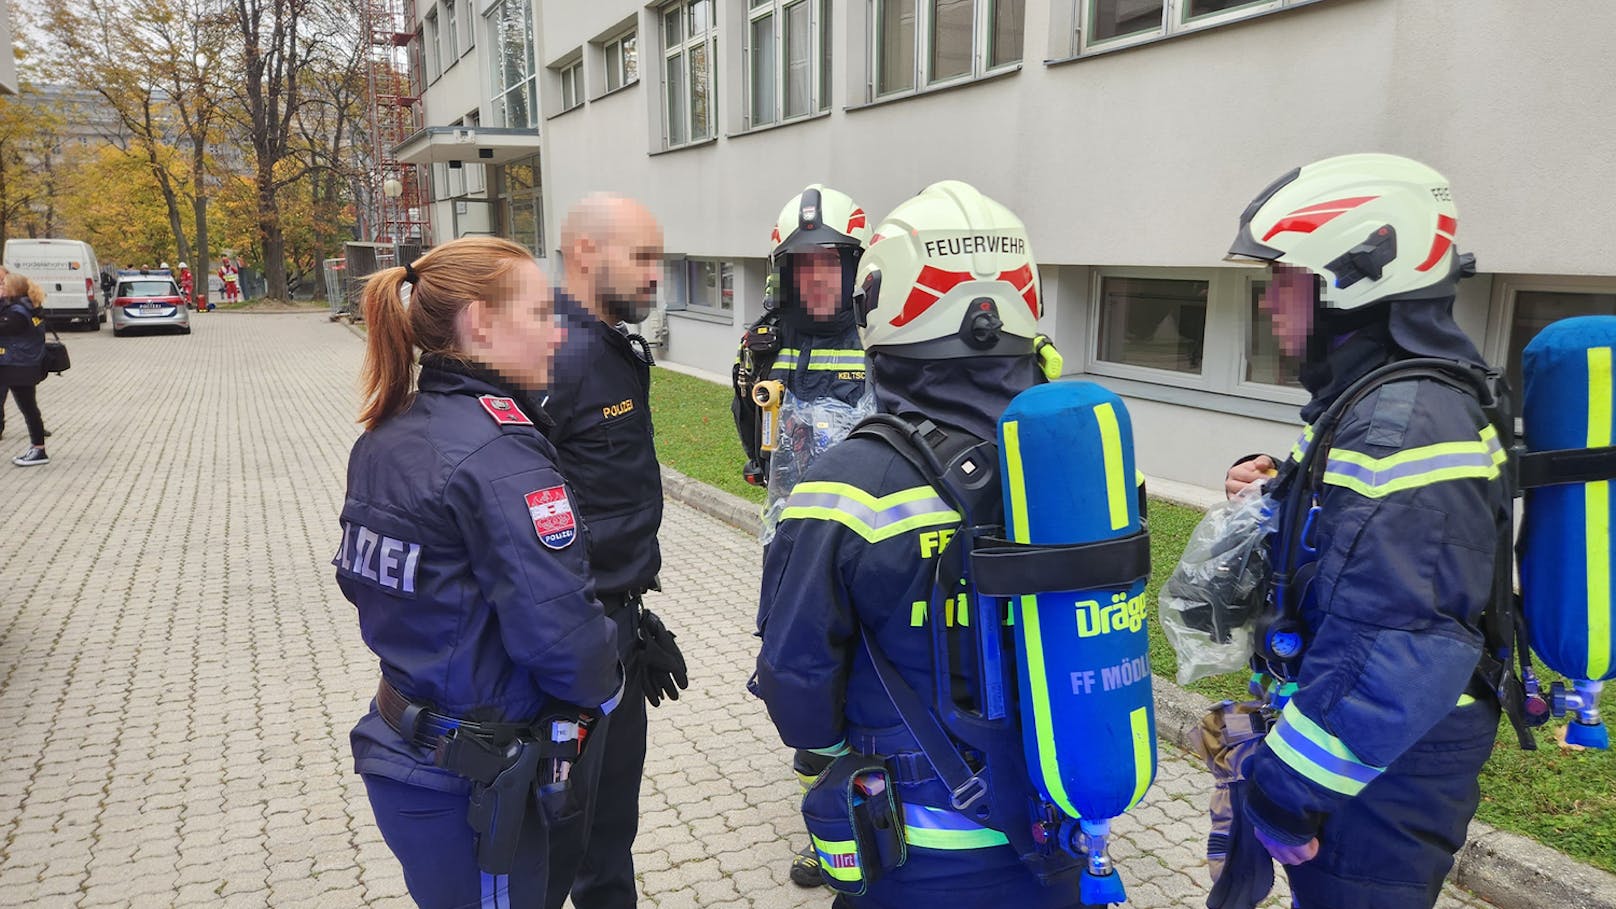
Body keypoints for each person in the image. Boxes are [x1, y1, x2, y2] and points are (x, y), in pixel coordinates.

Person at [753, 180, 1103, 909]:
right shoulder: (1079, 465)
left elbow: (799, 697)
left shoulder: (846, 484)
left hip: (917, 855)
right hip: (1059, 835)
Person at [1213, 153, 1510, 909]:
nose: (1269, 304)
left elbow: (1401, 636)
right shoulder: (1382, 400)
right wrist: (1278, 489)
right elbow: (1365, 546)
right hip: (1376, 753)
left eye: (1284, 282)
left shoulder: (1402, 423)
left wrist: (1287, 786)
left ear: (1354, 277)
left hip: (1380, 767)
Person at [337, 236, 626, 909]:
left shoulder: (387, 432)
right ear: (480, 323)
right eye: (538, 312)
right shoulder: (498, 454)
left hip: (405, 757)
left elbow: (366, 584)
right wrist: (607, 685)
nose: (558, 333)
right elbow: (563, 640)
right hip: (471, 784)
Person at [537, 193, 687, 909]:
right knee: (557, 842)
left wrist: (633, 613)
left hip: (617, 633)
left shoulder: (613, 349)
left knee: (608, 834)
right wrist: (591, 619)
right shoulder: (551, 357)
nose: (656, 275)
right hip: (570, 649)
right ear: (585, 254)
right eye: (642, 258)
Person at [732, 184, 873, 526]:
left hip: (864, 524)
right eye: (802, 265)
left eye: (828, 262)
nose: (816, 278)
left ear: (855, 267)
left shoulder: (878, 338)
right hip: (786, 521)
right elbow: (749, 421)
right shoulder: (766, 342)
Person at [0, 273, 50, 466]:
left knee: (28, 408)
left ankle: (39, 449)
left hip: (19, 365)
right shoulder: (24, 307)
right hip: (21, 363)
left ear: (14, 288)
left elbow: (5, 328)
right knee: (29, 408)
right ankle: (37, 448)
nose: (2, 286)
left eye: (4, 284)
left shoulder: (17, 313)